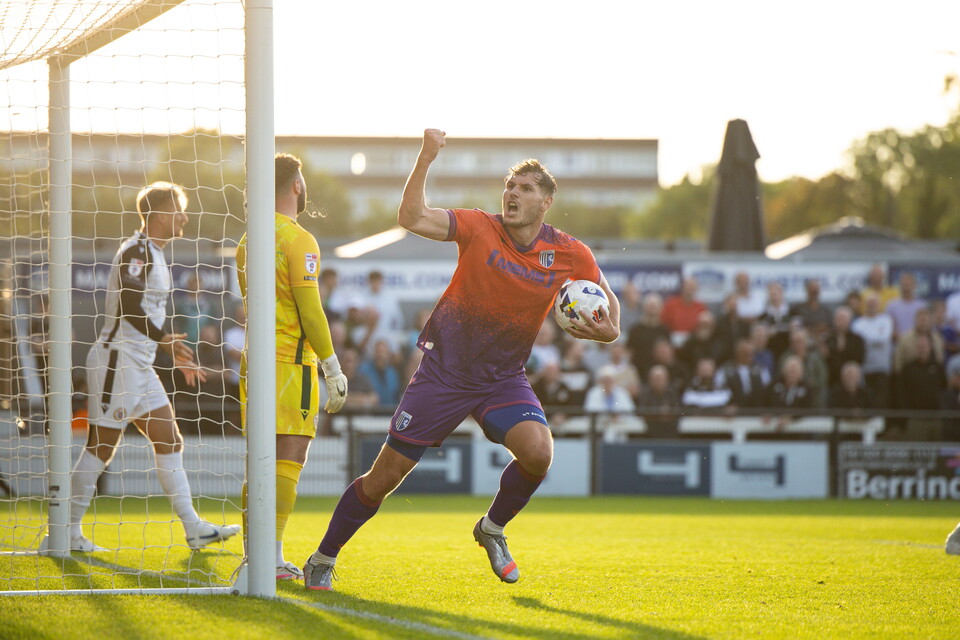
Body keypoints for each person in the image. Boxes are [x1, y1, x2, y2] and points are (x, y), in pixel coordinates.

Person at [301, 130, 620, 591]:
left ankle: (491, 529)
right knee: (383, 478)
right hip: (443, 375)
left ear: (546, 201)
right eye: (510, 186)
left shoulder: (570, 253)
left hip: (502, 378)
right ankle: (322, 557)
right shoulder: (478, 226)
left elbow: (608, 302)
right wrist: (426, 157)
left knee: (538, 452)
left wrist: (611, 330)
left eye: (525, 188)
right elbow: (410, 216)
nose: (512, 194)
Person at [67, 182, 240, 553]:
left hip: (140, 366)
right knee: (101, 446)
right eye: (179, 209)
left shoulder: (157, 254)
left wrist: (173, 353)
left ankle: (193, 528)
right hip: (116, 362)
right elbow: (131, 307)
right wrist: (166, 340)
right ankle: (64, 530)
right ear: (162, 213)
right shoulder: (137, 250)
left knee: (169, 438)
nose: (184, 216)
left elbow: (147, 316)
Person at [235, 153, 349, 580]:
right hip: (290, 363)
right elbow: (311, 312)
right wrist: (332, 367)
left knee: (260, 460)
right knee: (288, 458)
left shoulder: (249, 239)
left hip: (254, 363)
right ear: (296, 186)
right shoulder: (299, 239)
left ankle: (255, 556)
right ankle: (271, 557)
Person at [851, 291, 894, 409]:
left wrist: (867, 339)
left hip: (882, 368)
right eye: (869, 303)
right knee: (866, 400)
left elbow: (884, 338)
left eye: (874, 303)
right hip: (864, 368)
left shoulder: (886, 320)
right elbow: (858, 342)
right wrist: (875, 339)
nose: (872, 305)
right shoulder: (858, 323)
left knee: (881, 400)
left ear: (879, 304)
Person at [660, 276, 706, 343]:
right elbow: (663, 324)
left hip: (694, 343)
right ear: (682, 287)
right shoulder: (671, 304)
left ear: (697, 289)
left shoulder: (701, 307)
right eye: (688, 286)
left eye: (692, 286)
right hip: (672, 342)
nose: (690, 289)